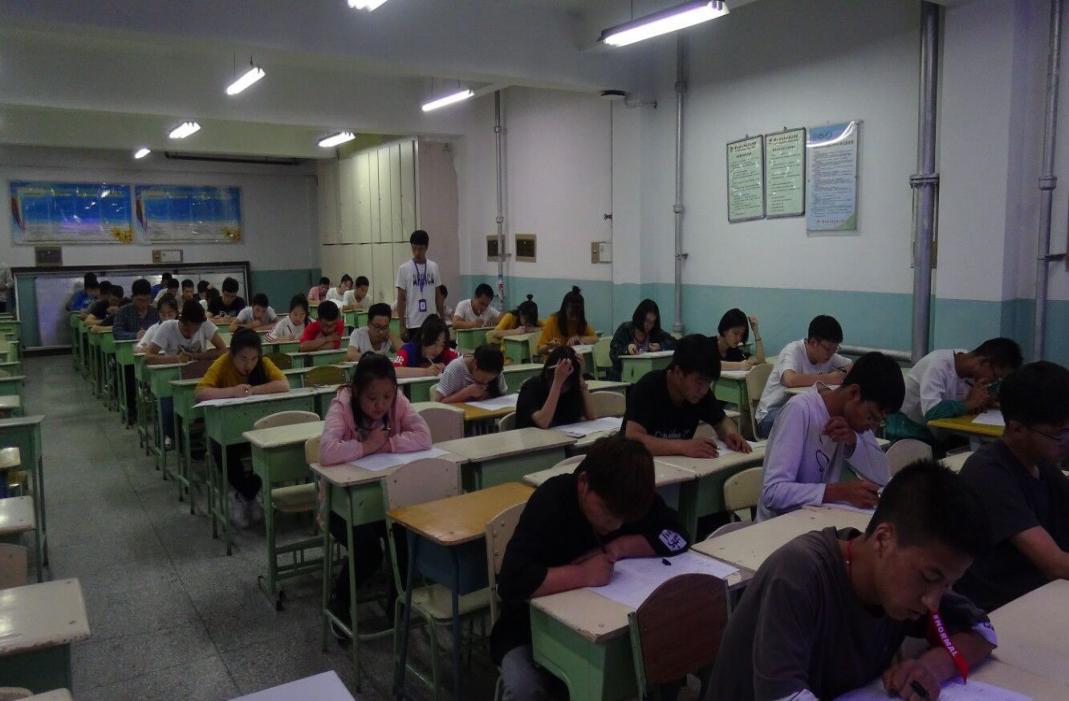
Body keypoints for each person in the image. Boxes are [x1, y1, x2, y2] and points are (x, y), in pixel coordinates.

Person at [708, 460, 996, 701]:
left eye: (946, 585)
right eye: (930, 577)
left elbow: (983, 631)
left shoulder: (902, 583)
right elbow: (784, 696)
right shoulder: (800, 574)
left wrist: (932, 667)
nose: (933, 602)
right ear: (883, 539)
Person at [492, 437, 690, 701]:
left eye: (625, 518)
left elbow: (679, 536)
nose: (616, 524)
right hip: (526, 629)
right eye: (608, 511)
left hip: (607, 626)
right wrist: (583, 574)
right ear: (584, 483)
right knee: (525, 689)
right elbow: (511, 582)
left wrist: (621, 546)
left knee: (671, 653)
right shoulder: (553, 500)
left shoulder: (629, 498)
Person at [318, 353, 433, 639]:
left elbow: (424, 436)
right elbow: (327, 451)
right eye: (372, 398)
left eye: (387, 397)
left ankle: (398, 605)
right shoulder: (341, 406)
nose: (380, 405)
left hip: (384, 497)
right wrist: (368, 445)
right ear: (357, 391)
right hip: (340, 504)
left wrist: (387, 444)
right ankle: (339, 601)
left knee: (406, 537)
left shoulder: (397, 401)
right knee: (368, 550)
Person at [955, 361, 1069, 612]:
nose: (1066, 440)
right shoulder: (988, 473)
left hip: (1041, 596)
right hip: (1000, 611)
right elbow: (1054, 564)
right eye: (1059, 433)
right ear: (1017, 428)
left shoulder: (1043, 465)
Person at [758, 351, 905, 521]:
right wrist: (839, 492)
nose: (872, 427)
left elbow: (882, 477)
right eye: (871, 417)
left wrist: (853, 441)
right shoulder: (800, 410)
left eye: (880, 421)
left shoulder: (854, 422)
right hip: (779, 526)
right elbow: (773, 492)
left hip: (816, 521)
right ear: (854, 393)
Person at [195, 329, 289, 528]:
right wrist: (232, 391)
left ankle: (244, 495)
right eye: (243, 359)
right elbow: (200, 392)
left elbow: (283, 385)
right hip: (228, 430)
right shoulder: (222, 363)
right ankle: (248, 495)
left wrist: (254, 390)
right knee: (221, 450)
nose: (249, 365)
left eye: (254, 358)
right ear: (232, 354)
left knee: (271, 451)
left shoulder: (263, 363)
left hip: (257, 429)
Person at [623, 334, 750, 458]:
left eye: (708, 383)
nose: (704, 390)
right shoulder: (648, 387)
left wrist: (731, 434)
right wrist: (683, 447)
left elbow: (721, 421)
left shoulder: (700, 393)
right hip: (634, 464)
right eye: (699, 382)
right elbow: (633, 439)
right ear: (678, 372)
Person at [886, 338, 1023, 446]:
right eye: (996, 377)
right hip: (907, 429)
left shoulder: (968, 366)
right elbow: (932, 412)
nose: (994, 381)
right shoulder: (938, 365)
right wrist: (969, 404)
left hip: (938, 432)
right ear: (983, 362)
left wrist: (987, 400)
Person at [755, 314, 852, 438]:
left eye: (835, 349)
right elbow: (789, 379)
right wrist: (829, 378)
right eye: (828, 349)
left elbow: (850, 365)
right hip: (770, 415)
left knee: (835, 421)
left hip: (801, 411)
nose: (831, 354)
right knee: (813, 424)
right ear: (813, 342)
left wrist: (841, 373)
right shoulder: (793, 350)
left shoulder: (828, 355)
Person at [112, 279, 160, 424]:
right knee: (129, 376)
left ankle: (159, 409)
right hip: (130, 356)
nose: (143, 304)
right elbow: (117, 332)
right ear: (133, 297)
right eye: (140, 300)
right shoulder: (123, 311)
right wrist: (135, 335)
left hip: (152, 354)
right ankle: (131, 409)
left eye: (147, 300)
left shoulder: (155, 312)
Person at [515, 346, 595, 429]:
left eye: (568, 382)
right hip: (534, 436)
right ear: (548, 374)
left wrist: (580, 377)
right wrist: (557, 384)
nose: (564, 387)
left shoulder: (573, 386)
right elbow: (543, 422)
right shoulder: (531, 386)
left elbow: (591, 416)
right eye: (563, 381)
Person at [608, 299, 676, 381]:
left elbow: (675, 343)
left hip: (648, 377)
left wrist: (661, 346)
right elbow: (613, 353)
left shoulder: (655, 332)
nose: (649, 326)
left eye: (652, 322)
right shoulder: (625, 329)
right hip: (623, 376)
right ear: (640, 317)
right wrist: (627, 349)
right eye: (647, 321)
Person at [396, 229, 445, 342]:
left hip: (431, 322)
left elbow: (438, 295)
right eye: (414, 248)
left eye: (420, 249)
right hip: (413, 323)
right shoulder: (404, 269)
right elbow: (400, 299)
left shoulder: (434, 267)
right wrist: (402, 324)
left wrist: (442, 318)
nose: (417, 252)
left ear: (427, 247)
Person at [144, 300, 226, 365]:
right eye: (187, 330)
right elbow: (148, 357)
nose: (191, 334)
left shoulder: (204, 324)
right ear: (183, 321)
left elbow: (223, 350)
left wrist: (195, 356)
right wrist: (176, 359)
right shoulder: (167, 327)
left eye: (196, 329)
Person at [433, 344, 508, 403]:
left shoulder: (495, 367)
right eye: (483, 378)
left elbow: (502, 397)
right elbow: (438, 403)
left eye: (489, 380)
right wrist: (467, 392)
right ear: (475, 364)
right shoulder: (455, 368)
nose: (485, 382)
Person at [537, 286, 597, 354]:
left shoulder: (580, 321)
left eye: (577, 313)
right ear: (564, 308)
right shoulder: (553, 320)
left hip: (573, 358)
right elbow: (539, 350)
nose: (574, 318)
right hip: (556, 359)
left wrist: (580, 338)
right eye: (572, 312)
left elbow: (596, 339)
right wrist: (549, 346)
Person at [392, 315, 457, 377]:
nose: (438, 350)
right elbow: (394, 371)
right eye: (434, 343)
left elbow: (461, 361)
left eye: (442, 345)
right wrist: (426, 372)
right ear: (423, 336)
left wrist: (448, 368)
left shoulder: (445, 351)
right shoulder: (408, 350)